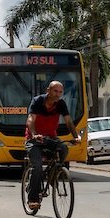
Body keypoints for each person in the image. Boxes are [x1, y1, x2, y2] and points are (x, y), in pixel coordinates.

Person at [25, 81, 81, 210]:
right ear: (48, 90)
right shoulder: (37, 101)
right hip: (34, 139)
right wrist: (34, 134)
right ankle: (33, 198)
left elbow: (68, 121)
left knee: (63, 148)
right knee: (37, 166)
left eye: (60, 92)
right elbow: (30, 119)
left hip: (50, 138)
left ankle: (52, 175)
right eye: (55, 91)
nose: (58, 94)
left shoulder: (61, 104)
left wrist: (75, 136)